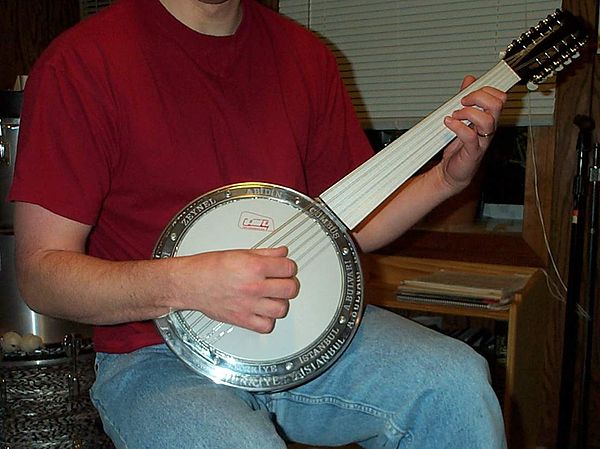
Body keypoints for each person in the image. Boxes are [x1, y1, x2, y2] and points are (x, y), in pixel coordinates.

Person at [8, 0, 508, 447]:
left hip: (303, 335)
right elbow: (42, 276)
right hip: (153, 355)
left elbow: (348, 228)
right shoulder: (82, 63)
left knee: (454, 382)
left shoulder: (304, 57)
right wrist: (188, 284)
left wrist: (443, 180)